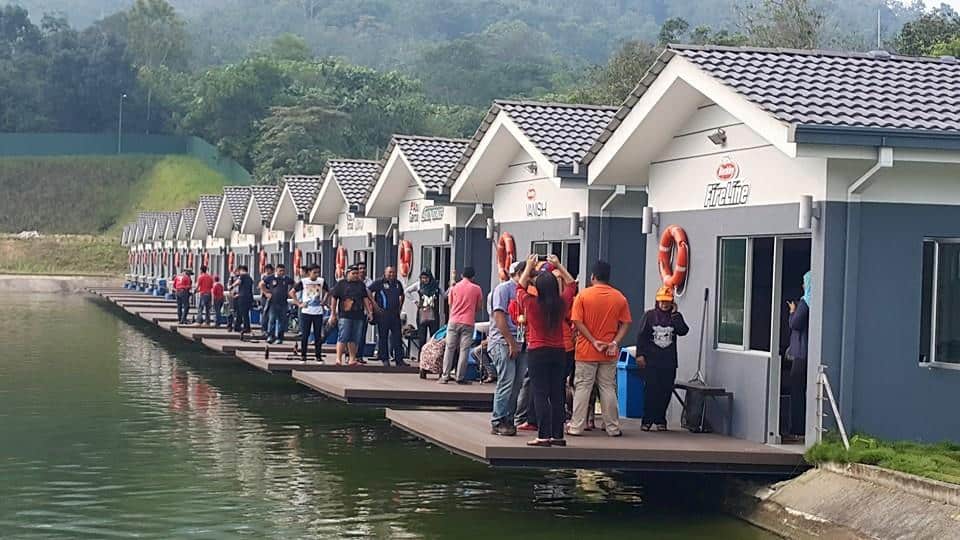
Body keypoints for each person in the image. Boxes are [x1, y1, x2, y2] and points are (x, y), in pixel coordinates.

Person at [516, 255, 577, 447]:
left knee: (540, 393)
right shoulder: (561, 304)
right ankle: (558, 435)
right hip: (559, 351)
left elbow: (519, 286)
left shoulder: (532, 304)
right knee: (557, 393)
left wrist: (529, 267)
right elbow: (571, 285)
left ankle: (543, 435)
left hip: (538, 351)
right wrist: (559, 264)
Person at [568, 260, 631, 437]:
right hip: (609, 352)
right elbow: (626, 323)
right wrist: (614, 342)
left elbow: (577, 321)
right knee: (608, 387)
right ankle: (612, 427)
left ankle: (576, 426)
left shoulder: (583, 296)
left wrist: (593, 340)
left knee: (582, 387)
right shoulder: (619, 297)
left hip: (586, 350)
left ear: (593, 277)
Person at [636, 286, 689, 431]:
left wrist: (675, 315)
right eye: (662, 301)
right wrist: (640, 355)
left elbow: (684, 330)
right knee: (651, 390)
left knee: (665, 391)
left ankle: (660, 418)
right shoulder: (649, 316)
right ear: (657, 301)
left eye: (667, 302)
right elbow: (641, 336)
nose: (664, 304)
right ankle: (647, 420)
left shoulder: (675, 317)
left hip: (669, 362)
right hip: (652, 361)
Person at [489, 261, 525, 435]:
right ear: (519, 273)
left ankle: (509, 418)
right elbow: (499, 316)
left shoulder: (527, 293)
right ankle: (498, 420)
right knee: (507, 380)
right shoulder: (504, 289)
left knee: (517, 383)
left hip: (522, 340)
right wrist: (510, 342)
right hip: (502, 341)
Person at [441, 266, 483, 384]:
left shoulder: (454, 288)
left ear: (461, 276)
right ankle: (460, 377)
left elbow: (450, 303)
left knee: (449, 348)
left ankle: (445, 375)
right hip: (468, 322)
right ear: (473, 277)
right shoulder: (477, 289)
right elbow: (479, 307)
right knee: (464, 350)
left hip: (453, 320)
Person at [330, 265, 373, 366]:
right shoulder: (341, 284)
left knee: (355, 337)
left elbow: (365, 299)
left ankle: (352, 358)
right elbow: (334, 298)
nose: (355, 275)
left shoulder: (361, 285)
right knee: (343, 336)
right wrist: (333, 313)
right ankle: (338, 358)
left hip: (358, 315)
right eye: (353, 273)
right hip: (345, 315)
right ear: (347, 273)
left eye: (357, 273)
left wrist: (369, 312)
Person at [786, 271, 811, 440]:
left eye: (805, 282)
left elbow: (795, 323)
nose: (803, 286)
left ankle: (797, 429)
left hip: (801, 354)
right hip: (809, 353)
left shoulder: (805, 302)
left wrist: (792, 311)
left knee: (797, 390)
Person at [369, 266, 407, 367]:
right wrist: (374, 305)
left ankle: (399, 360)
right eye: (390, 272)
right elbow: (368, 291)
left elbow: (402, 295)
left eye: (393, 272)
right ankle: (385, 359)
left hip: (394, 314)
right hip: (383, 313)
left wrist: (400, 306)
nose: (392, 274)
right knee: (383, 337)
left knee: (397, 337)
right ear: (385, 273)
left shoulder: (397, 283)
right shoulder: (379, 282)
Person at [291, 264, 327, 362]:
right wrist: (299, 303)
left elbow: (328, 291)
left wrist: (324, 300)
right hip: (306, 311)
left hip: (318, 311)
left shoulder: (321, 281)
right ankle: (303, 355)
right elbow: (292, 292)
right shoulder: (303, 281)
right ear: (309, 272)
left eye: (318, 272)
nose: (316, 275)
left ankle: (318, 356)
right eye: (314, 272)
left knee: (317, 335)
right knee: (305, 334)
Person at [406, 271, 443, 358]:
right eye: (422, 278)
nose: (424, 280)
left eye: (426, 278)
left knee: (434, 336)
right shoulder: (418, 285)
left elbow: (444, 295)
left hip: (433, 313)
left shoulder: (436, 285)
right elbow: (407, 291)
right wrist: (415, 301)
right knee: (422, 337)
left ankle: (433, 357)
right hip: (422, 314)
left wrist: (451, 288)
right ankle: (421, 357)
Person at [266, 264, 295, 344]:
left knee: (282, 321)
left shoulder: (286, 279)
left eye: (283, 271)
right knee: (272, 320)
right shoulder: (271, 278)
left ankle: (280, 337)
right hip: (273, 302)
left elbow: (294, 284)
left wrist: (290, 292)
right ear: (276, 270)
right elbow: (261, 284)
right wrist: (266, 292)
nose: (282, 272)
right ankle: (270, 336)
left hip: (283, 303)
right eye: (280, 271)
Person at [232, 265, 254, 334]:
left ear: (241, 270)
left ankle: (245, 327)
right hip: (249, 297)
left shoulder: (243, 276)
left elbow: (238, 282)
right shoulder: (250, 278)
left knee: (241, 313)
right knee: (245, 313)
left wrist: (231, 286)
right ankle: (240, 326)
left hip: (242, 297)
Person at [259, 264, 276, 340]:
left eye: (268, 269)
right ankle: (264, 329)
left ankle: (270, 330)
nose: (267, 271)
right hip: (265, 297)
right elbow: (261, 286)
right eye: (266, 269)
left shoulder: (274, 277)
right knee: (265, 313)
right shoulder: (265, 277)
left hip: (273, 297)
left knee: (271, 314)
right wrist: (266, 292)